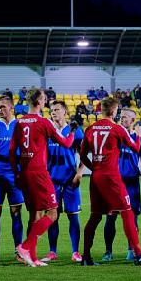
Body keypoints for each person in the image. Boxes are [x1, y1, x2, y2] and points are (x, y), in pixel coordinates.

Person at [73, 97, 141, 266]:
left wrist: (94, 168)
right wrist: (139, 136)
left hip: (96, 177)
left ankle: (86, 256)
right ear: (113, 111)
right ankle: (138, 254)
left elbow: (82, 156)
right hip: (111, 177)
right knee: (127, 212)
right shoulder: (117, 129)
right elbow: (135, 147)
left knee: (95, 217)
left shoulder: (90, 129)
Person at [9, 88, 75, 266]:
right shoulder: (44, 122)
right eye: (44, 99)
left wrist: (17, 173)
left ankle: (32, 257)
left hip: (24, 173)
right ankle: (25, 246)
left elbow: (11, 151)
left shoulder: (19, 122)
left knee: (35, 214)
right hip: (39, 173)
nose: (45, 102)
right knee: (52, 213)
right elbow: (66, 143)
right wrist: (72, 132)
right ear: (39, 102)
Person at [103, 106, 141, 260]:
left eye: (125, 116)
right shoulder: (114, 135)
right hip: (114, 182)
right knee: (111, 217)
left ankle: (131, 250)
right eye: (121, 115)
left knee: (132, 217)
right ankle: (108, 252)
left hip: (132, 183)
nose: (121, 118)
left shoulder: (137, 138)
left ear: (132, 120)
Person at [0, 96, 25, 263]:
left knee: (16, 213)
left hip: (15, 175)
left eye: (3, 107)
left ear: (11, 107)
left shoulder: (21, 126)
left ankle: (19, 252)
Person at [45, 100, 84, 261]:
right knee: (52, 217)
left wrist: (79, 173)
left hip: (70, 181)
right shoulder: (47, 131)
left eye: (57, 110)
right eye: (52, 110)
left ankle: (75, 252)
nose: (53, 112)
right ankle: (52, 252)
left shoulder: (76, 131)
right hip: (51, 181)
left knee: (73, 216)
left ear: (65, 112)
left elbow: (84, 155)